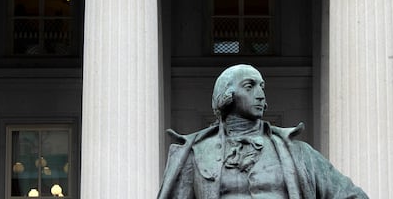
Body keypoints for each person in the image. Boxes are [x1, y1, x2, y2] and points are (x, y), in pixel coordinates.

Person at [158, 64, 369, 199]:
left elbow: (351, 196)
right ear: (227, 95)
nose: (260, 94)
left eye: (262, 87)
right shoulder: (196, 153)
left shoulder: (298, 153)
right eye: (249, 86)